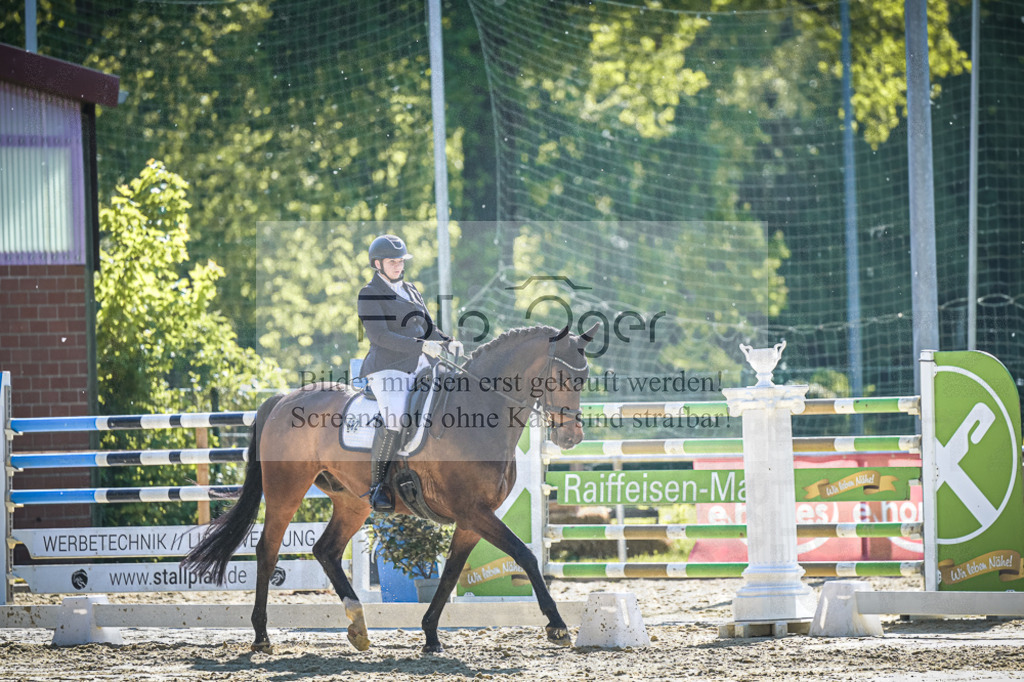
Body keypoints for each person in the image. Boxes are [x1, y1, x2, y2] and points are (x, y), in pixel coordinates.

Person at [357, 234, 463, 512]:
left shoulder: (412, 290)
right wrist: (422, 345)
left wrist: (447, 340)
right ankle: (378, 485)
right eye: (393, 261)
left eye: (401, 261)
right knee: (394, 417)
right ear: (377, 264)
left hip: (419, 363)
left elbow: (428, 327)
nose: (398, 266)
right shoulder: (369, 294)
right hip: (387, 367)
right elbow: (380, 336)